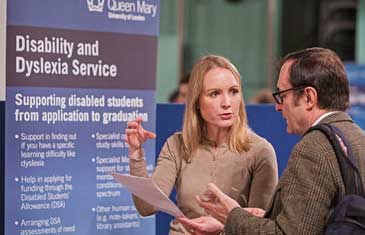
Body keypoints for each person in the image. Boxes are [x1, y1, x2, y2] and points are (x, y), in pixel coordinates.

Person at [178, 47, 365, 234]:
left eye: (283, 96)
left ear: (308, 97)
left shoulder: (313, 148)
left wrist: (232, 216)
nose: (277, 107)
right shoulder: (359, 138)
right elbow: (317, 221)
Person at [125, 55, 278, 234]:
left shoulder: (260, 151)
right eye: (215, 94)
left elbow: (261, 228)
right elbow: (147, 207)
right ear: (197, 102)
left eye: (234, 92)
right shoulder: (177, 144)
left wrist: (223, 227)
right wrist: (136, 154)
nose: (227, 103)